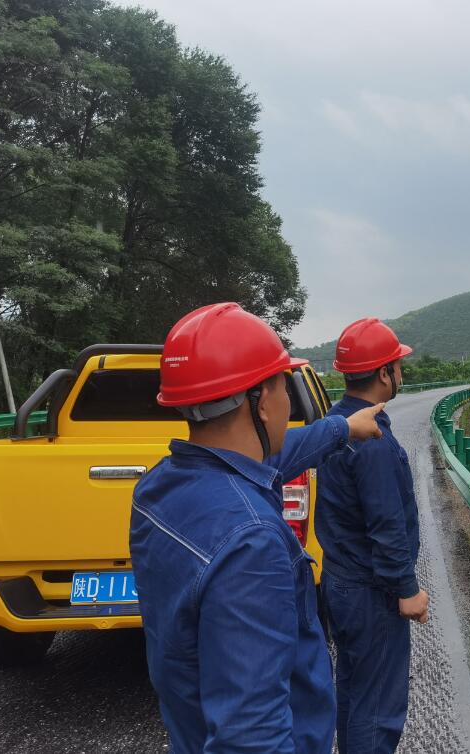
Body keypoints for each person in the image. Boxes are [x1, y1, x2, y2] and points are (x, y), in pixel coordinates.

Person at [129, 302, 384, 754]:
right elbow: (250, 735)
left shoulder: (160, 487)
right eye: (283, 384)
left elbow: (274, 456)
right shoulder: (251, 542)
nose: (287, 400)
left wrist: (343, 428)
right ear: (263, 401)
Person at [316, 317, 429, 754]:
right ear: (385, 373)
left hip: (340, 580)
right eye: (398, 366)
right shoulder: (373, 438)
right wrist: (407, 589)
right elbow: (386, 524)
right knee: (379, 707)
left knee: (353, 690)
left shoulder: (336, 423)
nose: (401, 373)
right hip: (371, 590)